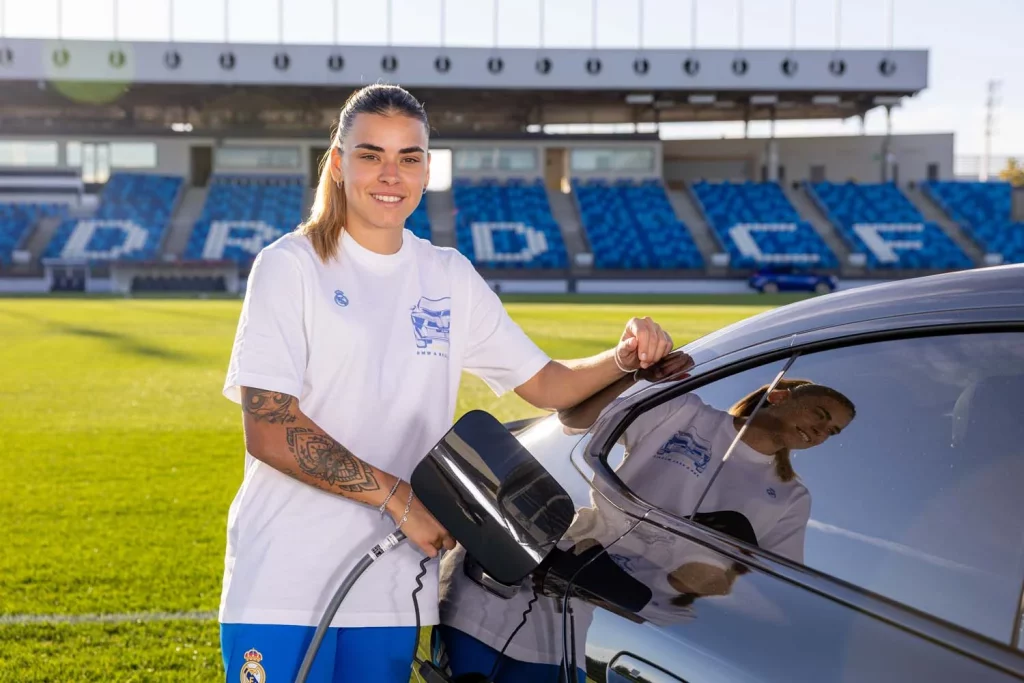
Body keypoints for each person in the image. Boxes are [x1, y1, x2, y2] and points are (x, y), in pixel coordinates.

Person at [217, 83, 675, 683]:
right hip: (284, 582)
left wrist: (624, 359)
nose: (390, 173)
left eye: (409, 157)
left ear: (427, 168)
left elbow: (550, 384)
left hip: (391, 590)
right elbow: (272, 431)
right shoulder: (289, 266)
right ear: (336, 162)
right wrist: (400, 499)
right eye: (370, 154)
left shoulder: (447, 275)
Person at [437, 373, 856, 681]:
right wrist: (632, 370)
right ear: (779, 395)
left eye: (831, 431)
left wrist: (721, 581)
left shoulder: (790, 497)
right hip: (542, 578)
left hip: (622, 627)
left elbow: (778, 592)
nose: (820, 432)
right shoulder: (686, 413)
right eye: (820, 414)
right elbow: (575, 420)